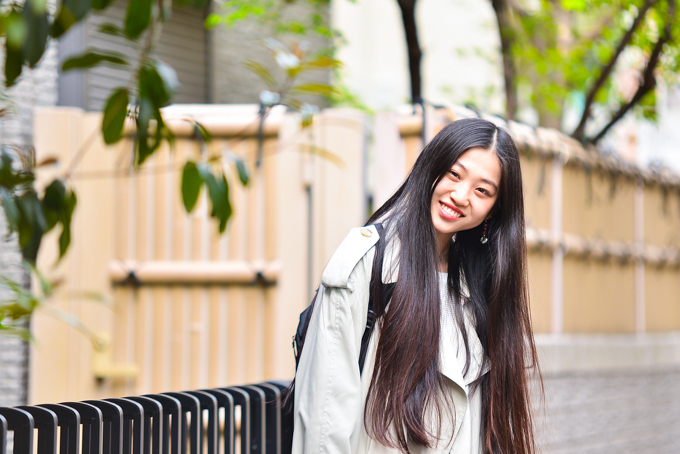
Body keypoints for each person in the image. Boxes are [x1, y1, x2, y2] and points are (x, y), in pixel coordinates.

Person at [292, 118, 541, 454]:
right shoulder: (368, 262)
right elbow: (325, 414)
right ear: (432, 167)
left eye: (482, 190)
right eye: (454, 174)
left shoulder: (479, 285)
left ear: (493, 212)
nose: (461, 195)